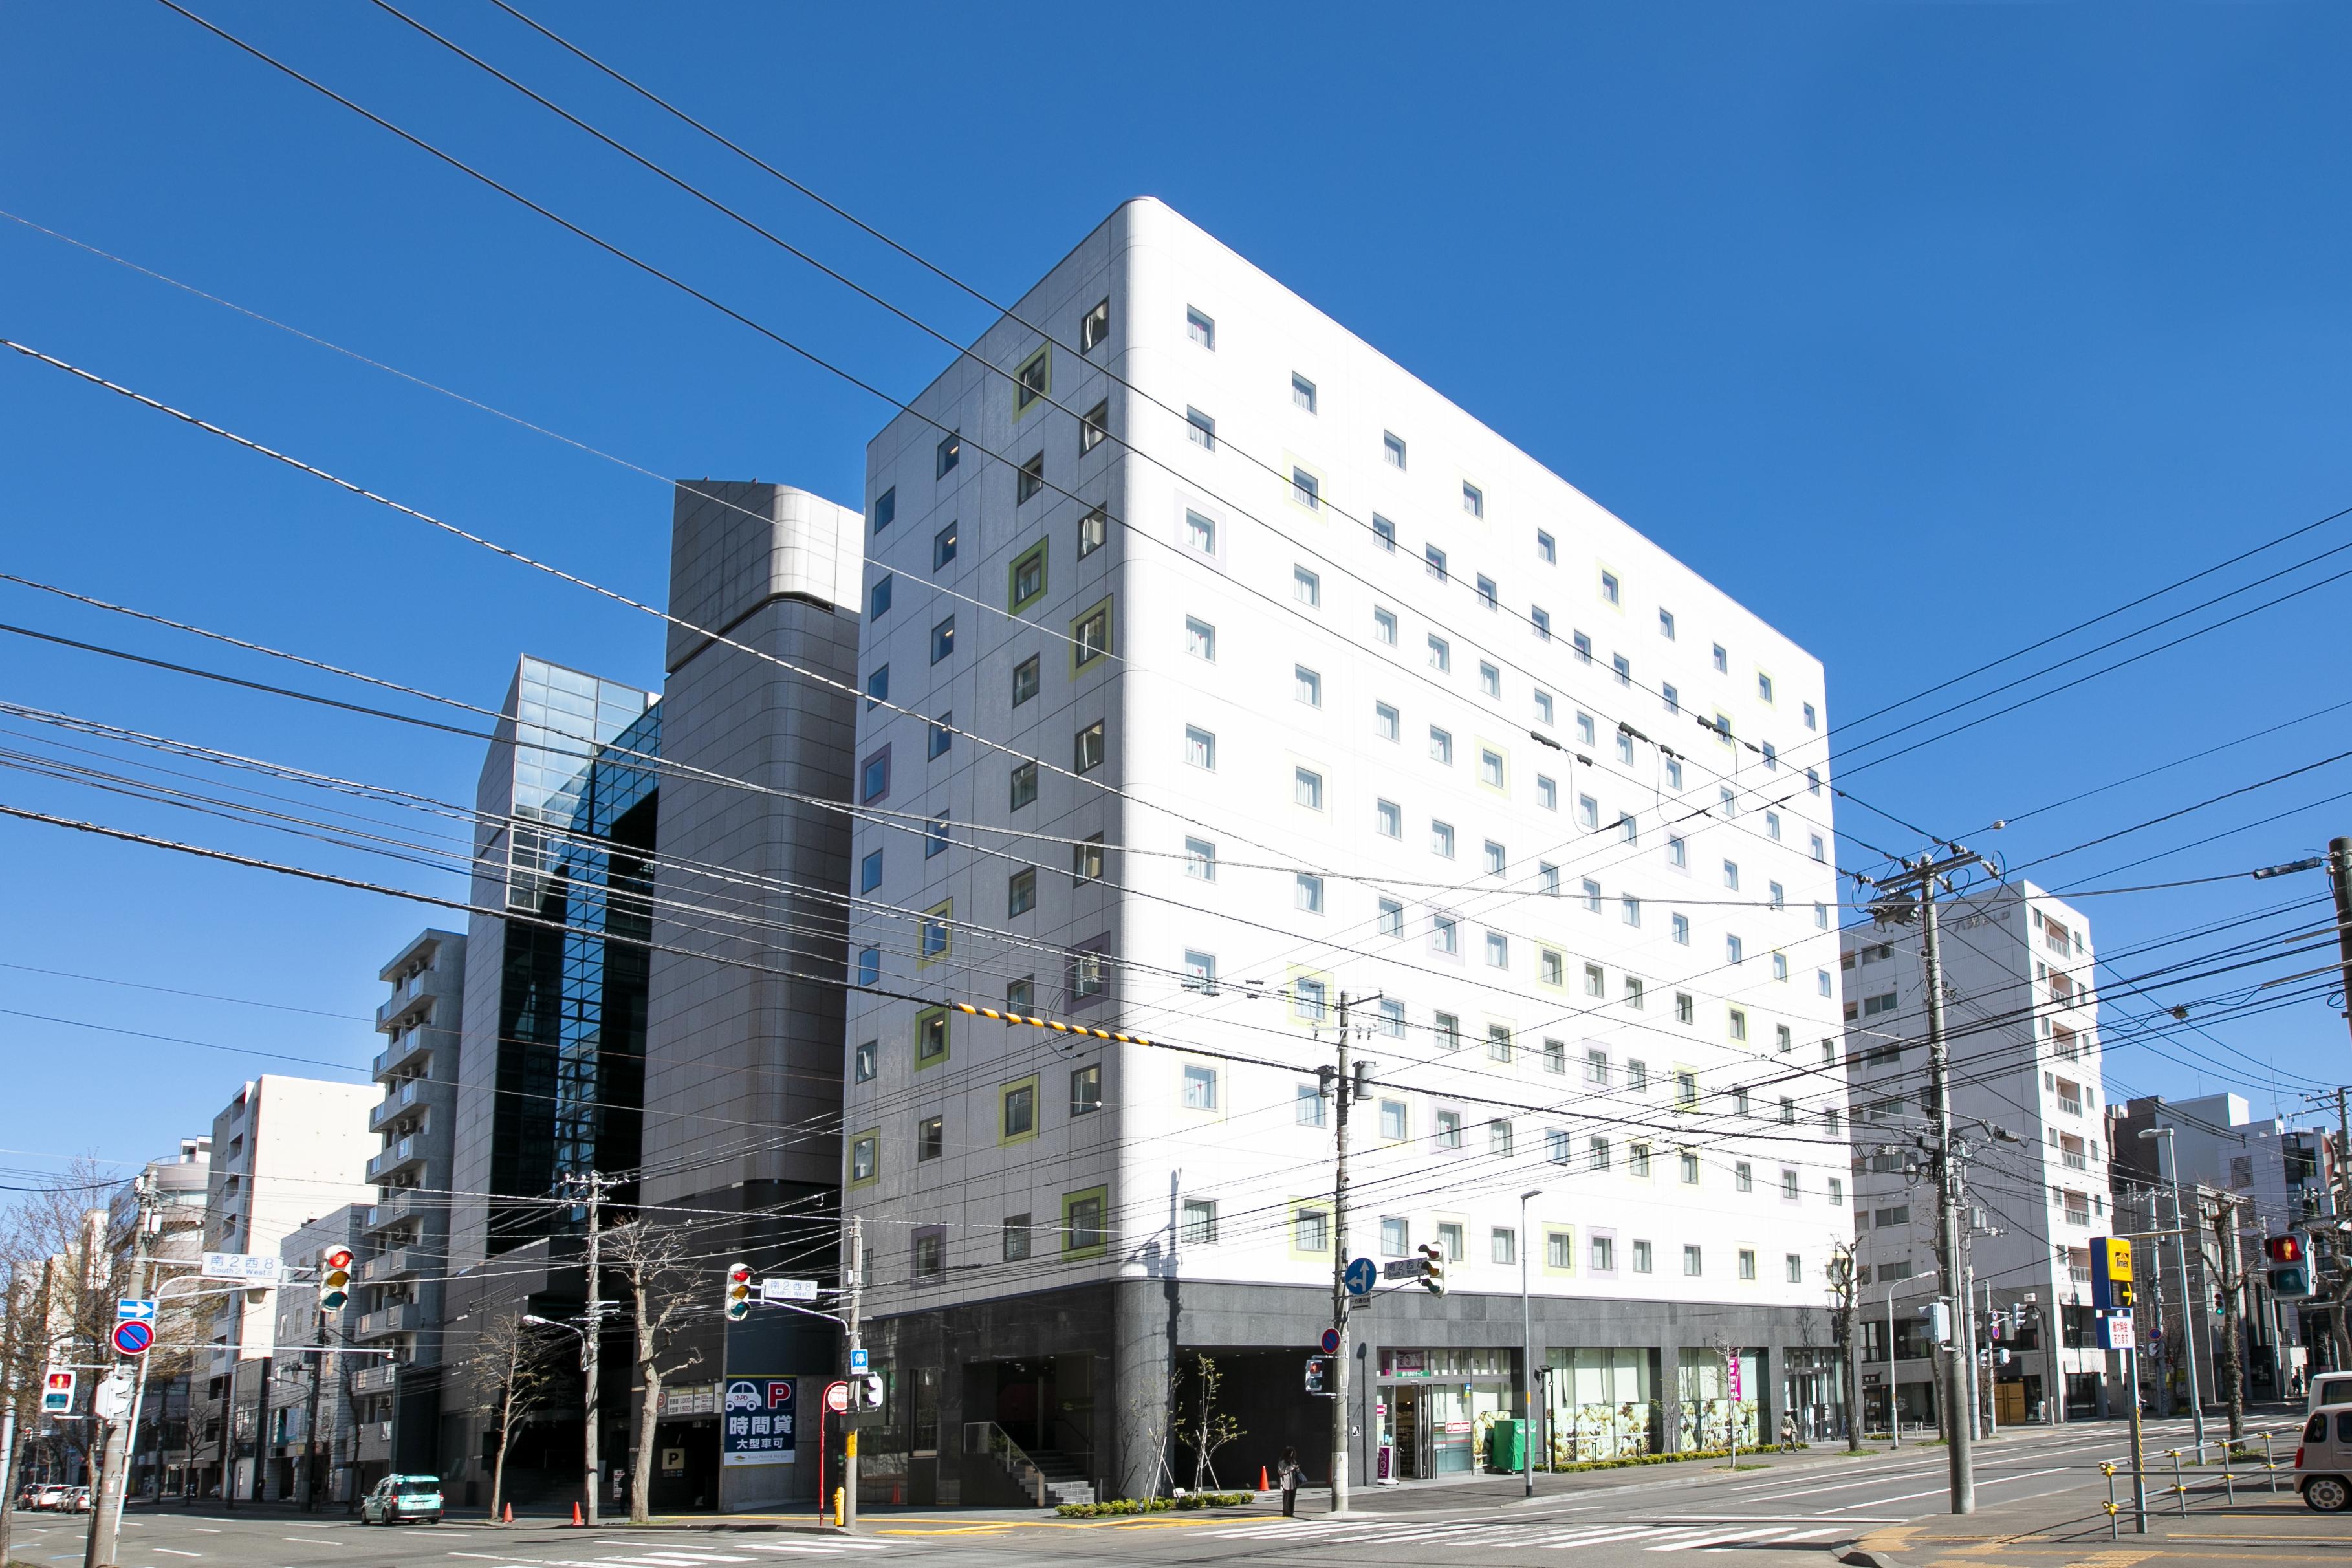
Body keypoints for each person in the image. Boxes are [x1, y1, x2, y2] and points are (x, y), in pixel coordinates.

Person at [1278, 1447, 1301, 1518]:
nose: (1291, 1455)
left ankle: (1291, 1512)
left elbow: (1298, 1471)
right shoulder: (1282, 1461)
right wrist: (1291, 1467)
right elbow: (1281, 1471)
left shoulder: (1293, 1461)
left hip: (1294, 1482)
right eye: (1290, 1453)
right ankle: (1286, 1512)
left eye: (1293, 1453)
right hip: (1286, 1482)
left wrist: (1297, 1468)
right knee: (1287, 1498)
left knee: (1292, 1498)